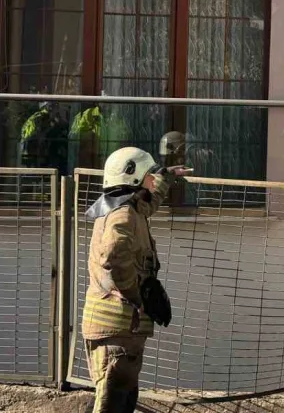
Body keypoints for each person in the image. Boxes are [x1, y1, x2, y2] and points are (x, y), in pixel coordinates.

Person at [82, 147, 189, 413]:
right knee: (112, 405)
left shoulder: (127, 208)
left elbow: (149, 203)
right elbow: (114, 257)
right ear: (134, 179)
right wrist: (137, 297)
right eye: (150, 175)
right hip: (117, 330)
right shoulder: (123, 215)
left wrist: (166, 176)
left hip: (121, 331)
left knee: (122, 401)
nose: (153, 180)